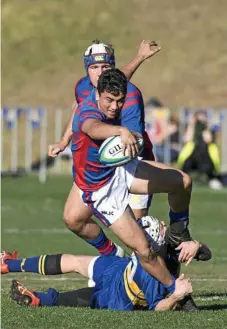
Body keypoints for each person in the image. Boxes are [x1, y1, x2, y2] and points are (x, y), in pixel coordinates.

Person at [65, 67, 202, 292]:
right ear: (97, 94)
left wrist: (139, 58)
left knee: (183, 182)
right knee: (144, 250)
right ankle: (174, 289)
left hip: (120, 169)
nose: (114, 106)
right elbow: (93, 128)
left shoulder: (109, 92)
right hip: (102, 192)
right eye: (109, 100)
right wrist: (120, 131)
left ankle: (179, 232)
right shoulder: (86, 112)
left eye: (119, 101)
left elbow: (121, 78)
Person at [48, 40, 161, 260]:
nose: (99, 73)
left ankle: (162, 277)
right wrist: (64, 141)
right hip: (101, 169)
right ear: (86, 69)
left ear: (114, 70)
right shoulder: (83, 88)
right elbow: (80, 108)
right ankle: (114, 257)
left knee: (140, 238)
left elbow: (132, 144)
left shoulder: (130, 97)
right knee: (73, 219)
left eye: (105, 68)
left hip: (132, 165)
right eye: (94, 67)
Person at [2, 219, 201, 311]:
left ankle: (9, 264)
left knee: (75, 262)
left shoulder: (159, 251)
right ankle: (40, 299)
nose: (165, 225)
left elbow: (205, 253)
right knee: (80, 297)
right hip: (119, 294)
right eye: (162, 226)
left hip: (118, 269)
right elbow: (158, 308)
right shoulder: (151, 272)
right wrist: (177, 295)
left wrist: (196, 245)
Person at [177, 110, 222, 189]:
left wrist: (206, 125)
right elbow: (187, 139)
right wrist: (191, 124)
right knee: (186, 166)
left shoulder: (207, 127)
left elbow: (208, 139)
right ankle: (182, 181)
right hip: (192, 154)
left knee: (208, 167)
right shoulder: (192, 126)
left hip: (205, 154)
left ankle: (212, 180)